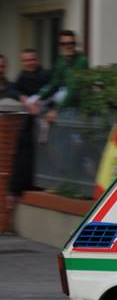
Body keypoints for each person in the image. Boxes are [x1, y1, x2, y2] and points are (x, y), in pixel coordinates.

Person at [9, 49, 51, 198]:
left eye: (32, 59)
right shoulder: (22, 76)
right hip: (30, 122)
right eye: (26, 60)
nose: (29, 63)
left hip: (46, 121)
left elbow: (53, 90)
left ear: (37, 60)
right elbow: (12, 90)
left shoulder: (45, 75)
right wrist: (23, 99)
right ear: (22, 62)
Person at [37, 30, 88, 121]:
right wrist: (37, 97)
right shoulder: (61, 60)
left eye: (71, 43)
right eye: (64, 44)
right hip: (64, 104)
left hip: (76, 107)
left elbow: (74, 89)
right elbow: (54, 83)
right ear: (60, 46)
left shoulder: (81, 61)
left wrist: (56, 109)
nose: (68, 46)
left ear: (75, 44)